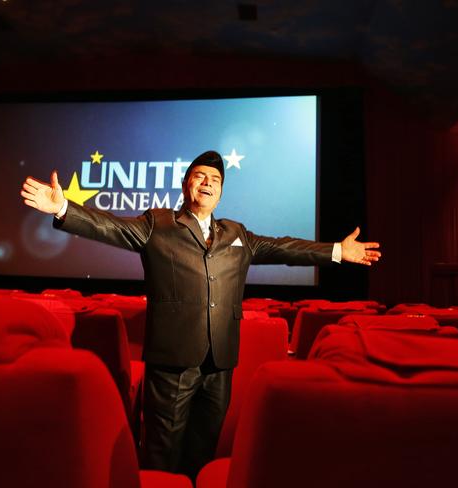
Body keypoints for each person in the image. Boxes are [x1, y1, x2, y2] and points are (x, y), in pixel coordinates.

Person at [20, 150, 381, 479]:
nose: (208, 183)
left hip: (220, 362)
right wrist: (64, 209)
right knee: (162, 454)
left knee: (203, 452)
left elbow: (285, 247)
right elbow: (110, 226)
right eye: (200, 176)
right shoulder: (157, 224)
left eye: (215, 180)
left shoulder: (237, 234)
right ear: (185, 183)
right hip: (173, 361)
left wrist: (336, 251)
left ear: (221, 192)